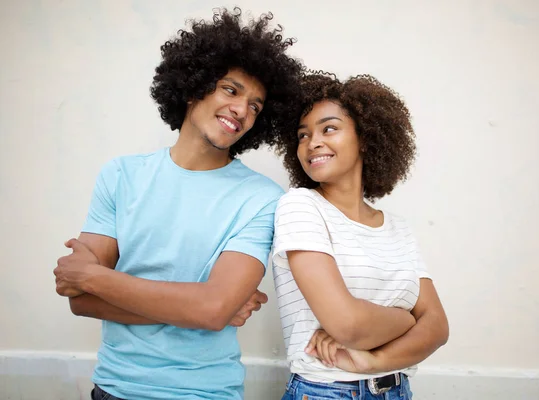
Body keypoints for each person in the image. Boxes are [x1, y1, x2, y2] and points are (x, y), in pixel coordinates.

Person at [53, 8, 303, 400]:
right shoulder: (121, 176)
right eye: (231, 90)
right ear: (193, 87)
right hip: (115, 387)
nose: (241, 110)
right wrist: (200, 310)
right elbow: (80, 301)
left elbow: (212, 309)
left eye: (255, 105)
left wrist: (93, 276)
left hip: (205, 392)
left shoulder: (263, 199)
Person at [272, 72, 449, 399]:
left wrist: (373, 360)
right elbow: (347, 325)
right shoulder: (300, 207)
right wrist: (407, 319)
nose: (313, 142)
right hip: (326, 391)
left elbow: (438, 328)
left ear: (365, 138)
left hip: (396, 390)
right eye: (302, 134)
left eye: (329, 128)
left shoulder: (397, 227)